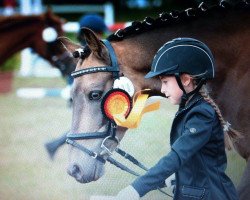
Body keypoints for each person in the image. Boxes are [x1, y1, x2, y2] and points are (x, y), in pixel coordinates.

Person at [115, 38, 239, 200]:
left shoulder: (202, 114)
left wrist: (136, 189)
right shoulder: (189, 109)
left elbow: (178, 156)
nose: (163, 89)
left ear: (186, 80)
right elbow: (193, 159)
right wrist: (175, 178)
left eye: (166, 82)